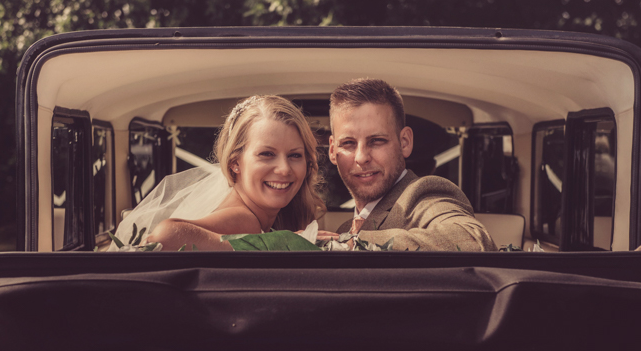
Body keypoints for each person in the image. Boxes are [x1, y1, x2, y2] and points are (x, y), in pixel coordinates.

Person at [119, 95, 325, 251]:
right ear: (235, 163)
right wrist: (279, 243)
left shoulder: (265, 217)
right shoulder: (244, 219)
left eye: (295, 156)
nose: (284, 169)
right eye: (267, 154)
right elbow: (164, 235)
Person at [318, 78, 496, 251]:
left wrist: (355, 241)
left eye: (377, 140)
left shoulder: (422, 195)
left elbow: (473, 241)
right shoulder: (344, 230)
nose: (361, 157)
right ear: (333, 151)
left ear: (404, 142)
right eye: (348, 143)